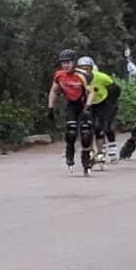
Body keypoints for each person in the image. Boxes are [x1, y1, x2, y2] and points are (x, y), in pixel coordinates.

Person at [46, 48, 94, 176]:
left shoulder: (83, 75)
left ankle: (86, 158)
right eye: (63, 63)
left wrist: (87, 107)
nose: (66, 65)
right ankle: (70, 151)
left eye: (68, 62)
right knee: (71, 132)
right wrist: (50, 108)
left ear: (74, 62)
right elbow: (54, 91)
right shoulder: (59, 75)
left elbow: (91, 92)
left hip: (83, 104)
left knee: (86, 133)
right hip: (71, 105)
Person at [79, 56, 120, 164]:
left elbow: (116, 89)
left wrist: (112, 103)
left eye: (87, 68)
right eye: (82, 69)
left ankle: (109, 151)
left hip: (105, 102)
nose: (85, 71)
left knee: (105, 127)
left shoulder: (101, 77)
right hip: (89, 103)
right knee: (87, 127)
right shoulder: (77, 78)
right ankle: (91, 151)